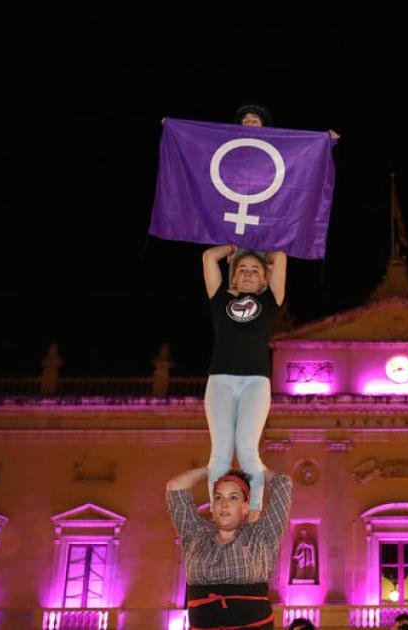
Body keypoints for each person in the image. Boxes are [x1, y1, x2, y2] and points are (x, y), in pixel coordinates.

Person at [201, 244, 287, 515]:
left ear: (264, 279)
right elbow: (207, 257)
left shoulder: (269, 301)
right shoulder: (219, 300)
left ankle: (253, 512)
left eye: (255, 270)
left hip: (255, 382)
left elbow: (281, 256)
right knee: (221, 452)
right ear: (233, 277)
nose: (248, 273)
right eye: (242, 270)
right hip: (220, 381)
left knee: (248, 450)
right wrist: (231, 248)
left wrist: (264, 256)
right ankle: (221, 512)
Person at [167, 467, 293, 630]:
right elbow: (175, 486)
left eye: (233, 497)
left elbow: (283, 484)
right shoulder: (195, 534)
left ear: (245, 507)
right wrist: (211, 468)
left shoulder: (261, 535)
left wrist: (256, 466)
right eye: (218, 498)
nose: (224, 504)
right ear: (213, 507)